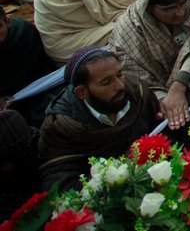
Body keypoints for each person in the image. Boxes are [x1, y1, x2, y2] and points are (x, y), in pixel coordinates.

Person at [37, 46, 160, 190]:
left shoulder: (138, 93)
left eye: (119, 74)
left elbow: (165, 134)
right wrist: (117, 172)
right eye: (106, 82)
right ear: (82, 92)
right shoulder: (61, 128)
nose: (120, 86)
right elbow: (62, 187)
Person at [108, 0, 190, 129]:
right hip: (159, 99)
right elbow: (137, 79)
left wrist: (179, 85)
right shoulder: (129, 31)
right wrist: (167, 101)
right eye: (169, 9)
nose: (180, 13)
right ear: (149, 8)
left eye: (182, 4)